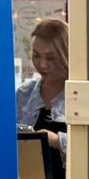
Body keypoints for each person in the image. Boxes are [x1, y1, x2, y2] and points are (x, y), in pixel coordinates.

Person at [17, 17, 68, 161]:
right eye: (36, 56)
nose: (42, 65)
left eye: (51, 58)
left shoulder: (81, 95)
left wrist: (57, 141)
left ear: (67, 55)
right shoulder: (23, 94)